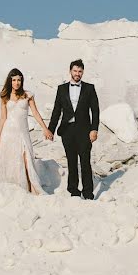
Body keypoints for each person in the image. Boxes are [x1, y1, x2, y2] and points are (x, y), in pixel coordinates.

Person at [0, 68, 53, 194]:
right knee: (11, 161)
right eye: (14, 80)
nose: (16, 83)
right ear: (10, 81)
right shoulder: (4, 96)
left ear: (22, 81)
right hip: (8, 133)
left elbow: (35, 113)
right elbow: (3, 117)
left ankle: (32, 189)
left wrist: (45, 128)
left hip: (22, 133)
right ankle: (15, 190)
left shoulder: (27, 95)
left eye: (19, 80)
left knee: (27, 161)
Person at [48, 59, 100, 199]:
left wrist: (94, 129)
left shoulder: (90, 88)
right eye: (75, 71)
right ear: (70, 71)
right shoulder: (61, 88)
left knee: (85, 161)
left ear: (83, 72)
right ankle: (73, 190)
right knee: (71, 161)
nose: (77, 74)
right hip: (67, 130)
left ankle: (88, 192)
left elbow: (95, 110)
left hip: (84, 130)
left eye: (80, 71)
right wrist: (50, 130)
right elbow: (56, 111)